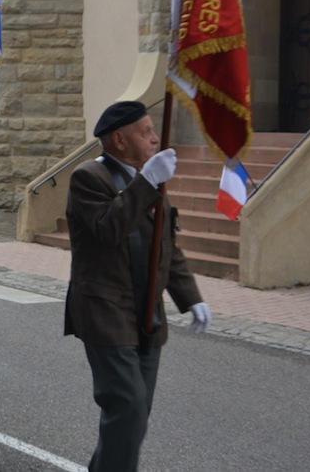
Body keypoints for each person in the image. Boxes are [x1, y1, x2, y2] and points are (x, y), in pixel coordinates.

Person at [65, 100, 212, 472]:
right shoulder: (88, 178)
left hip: (147, 313)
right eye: (145, 132)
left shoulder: (145, 179)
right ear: (118, 139)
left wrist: (190, 297)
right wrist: (147, 183)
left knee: (134, 415)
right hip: (105, 311)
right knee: (127, 407)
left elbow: (166, 245)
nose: (154, 139)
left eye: (153, 130)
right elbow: (108, 228)